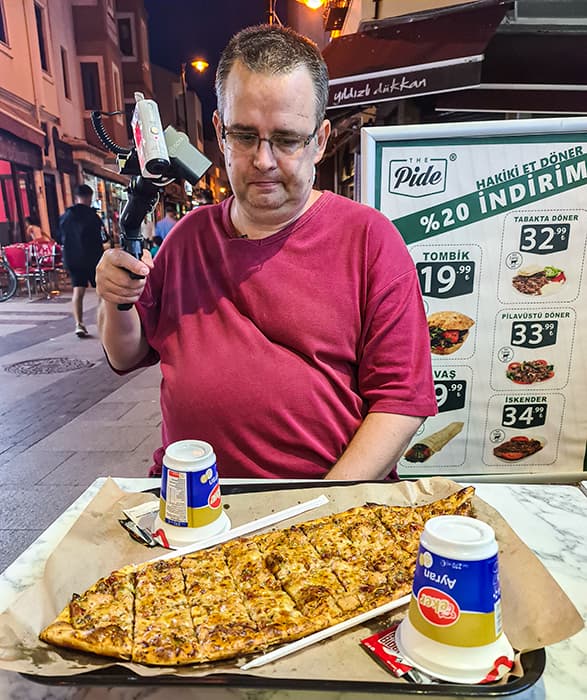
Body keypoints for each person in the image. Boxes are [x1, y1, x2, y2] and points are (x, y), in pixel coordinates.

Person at [96, 24, 437, 480]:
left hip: (328, 506)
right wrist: (116, 298)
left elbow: (401, 400)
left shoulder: (370, 241)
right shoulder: (186, 239)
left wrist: (322, 509)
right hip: (194, 504)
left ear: (320, 140)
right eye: (244, 135)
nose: (263, 161)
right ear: (219, 132)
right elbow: (125, 354)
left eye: (286, 139)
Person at [58, 184, 107, 338]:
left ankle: (79, 324)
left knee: (78, 291)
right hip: (92, 258)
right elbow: (103, 237)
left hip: (73, 259)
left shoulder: (66, 216)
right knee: (101, 291)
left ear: (75, 197)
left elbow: (59, 237)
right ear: (89, 197)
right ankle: (101, 321)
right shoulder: (93, 216)